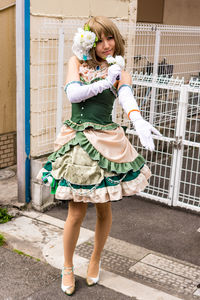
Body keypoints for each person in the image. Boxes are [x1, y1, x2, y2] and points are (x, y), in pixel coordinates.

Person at [37, 16, 161, 296]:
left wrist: (137, 120)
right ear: (89, 42)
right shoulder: (76, 64)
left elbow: (127, 97)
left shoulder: (120, 70)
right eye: (99, 39)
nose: (106, 44)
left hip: (107, 141)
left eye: (110, 38)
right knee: (75, 211)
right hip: (78, 141)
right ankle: (67, 266)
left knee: (104, 208)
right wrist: (106, 81)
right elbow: (74, 95)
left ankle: (95, 259)